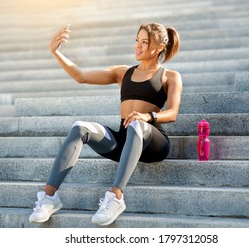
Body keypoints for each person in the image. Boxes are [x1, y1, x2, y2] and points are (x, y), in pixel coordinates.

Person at [29, 22, 182, 226]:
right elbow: (81, 76)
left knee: (136, 124)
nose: (138, 45)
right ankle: (49, 197)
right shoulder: (123, 73)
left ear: (160, 47)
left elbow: (172, 113)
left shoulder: (169, 76)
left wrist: (148, 117)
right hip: (124, 141)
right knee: (80, 127)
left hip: (152, 142)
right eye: (137, 40)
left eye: (145, 42)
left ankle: (115, 197)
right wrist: (56, 52)